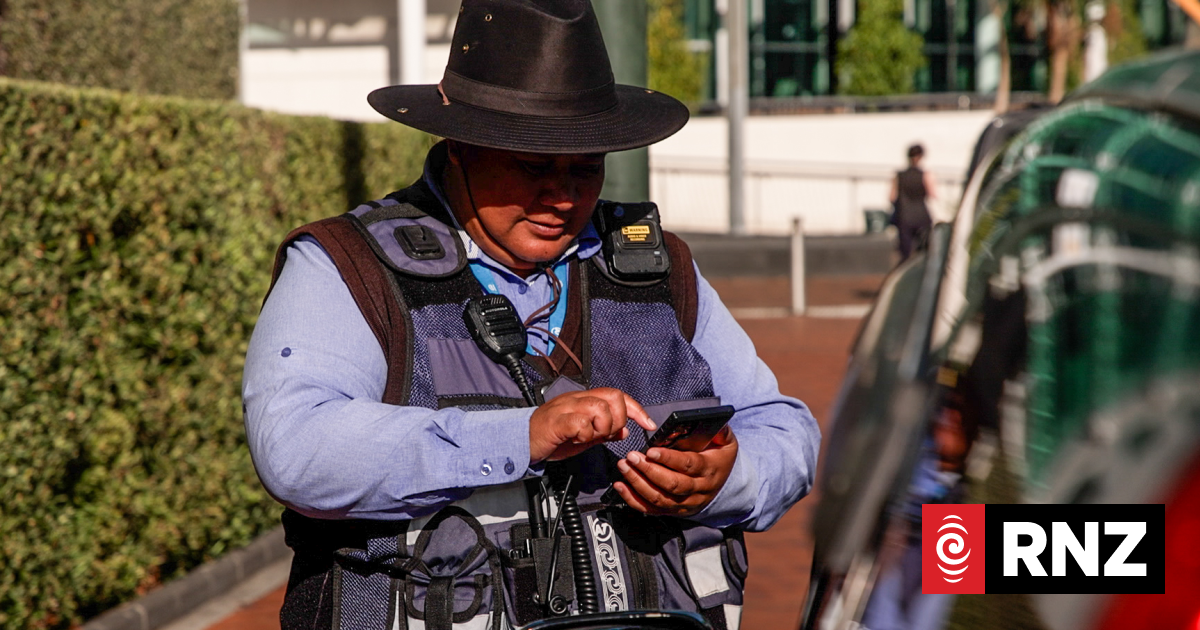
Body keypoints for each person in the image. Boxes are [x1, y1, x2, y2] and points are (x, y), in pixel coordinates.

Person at [241, 1, 820, 629]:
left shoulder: (661, 267)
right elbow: (295, 447)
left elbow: (785, 429)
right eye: (533, 165)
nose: (562, 197)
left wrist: (728, 478)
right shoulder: (346, 265)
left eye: (586, 167)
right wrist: (521, 436)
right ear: (459, 146)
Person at [890, 144, 939, 260]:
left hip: (904, 217)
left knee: (905, 253)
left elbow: (892, 197)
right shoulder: (925, 175)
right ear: (921, 157)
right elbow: (933, 194)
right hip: (921, 217)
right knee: (924, 252)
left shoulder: (899, 175)